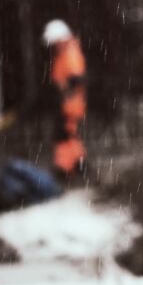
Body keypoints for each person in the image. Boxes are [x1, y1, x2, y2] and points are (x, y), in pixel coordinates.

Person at [41, 19, 87, 183]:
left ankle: (67, 169)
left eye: (54, 43)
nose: (53, 48)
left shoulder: (70, 53)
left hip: (70, 103)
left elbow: (76, 78)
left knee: (64, 135)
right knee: (68, 136)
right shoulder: (64, 53)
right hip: (67, 102)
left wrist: (64, 90)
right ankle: (75, 167)